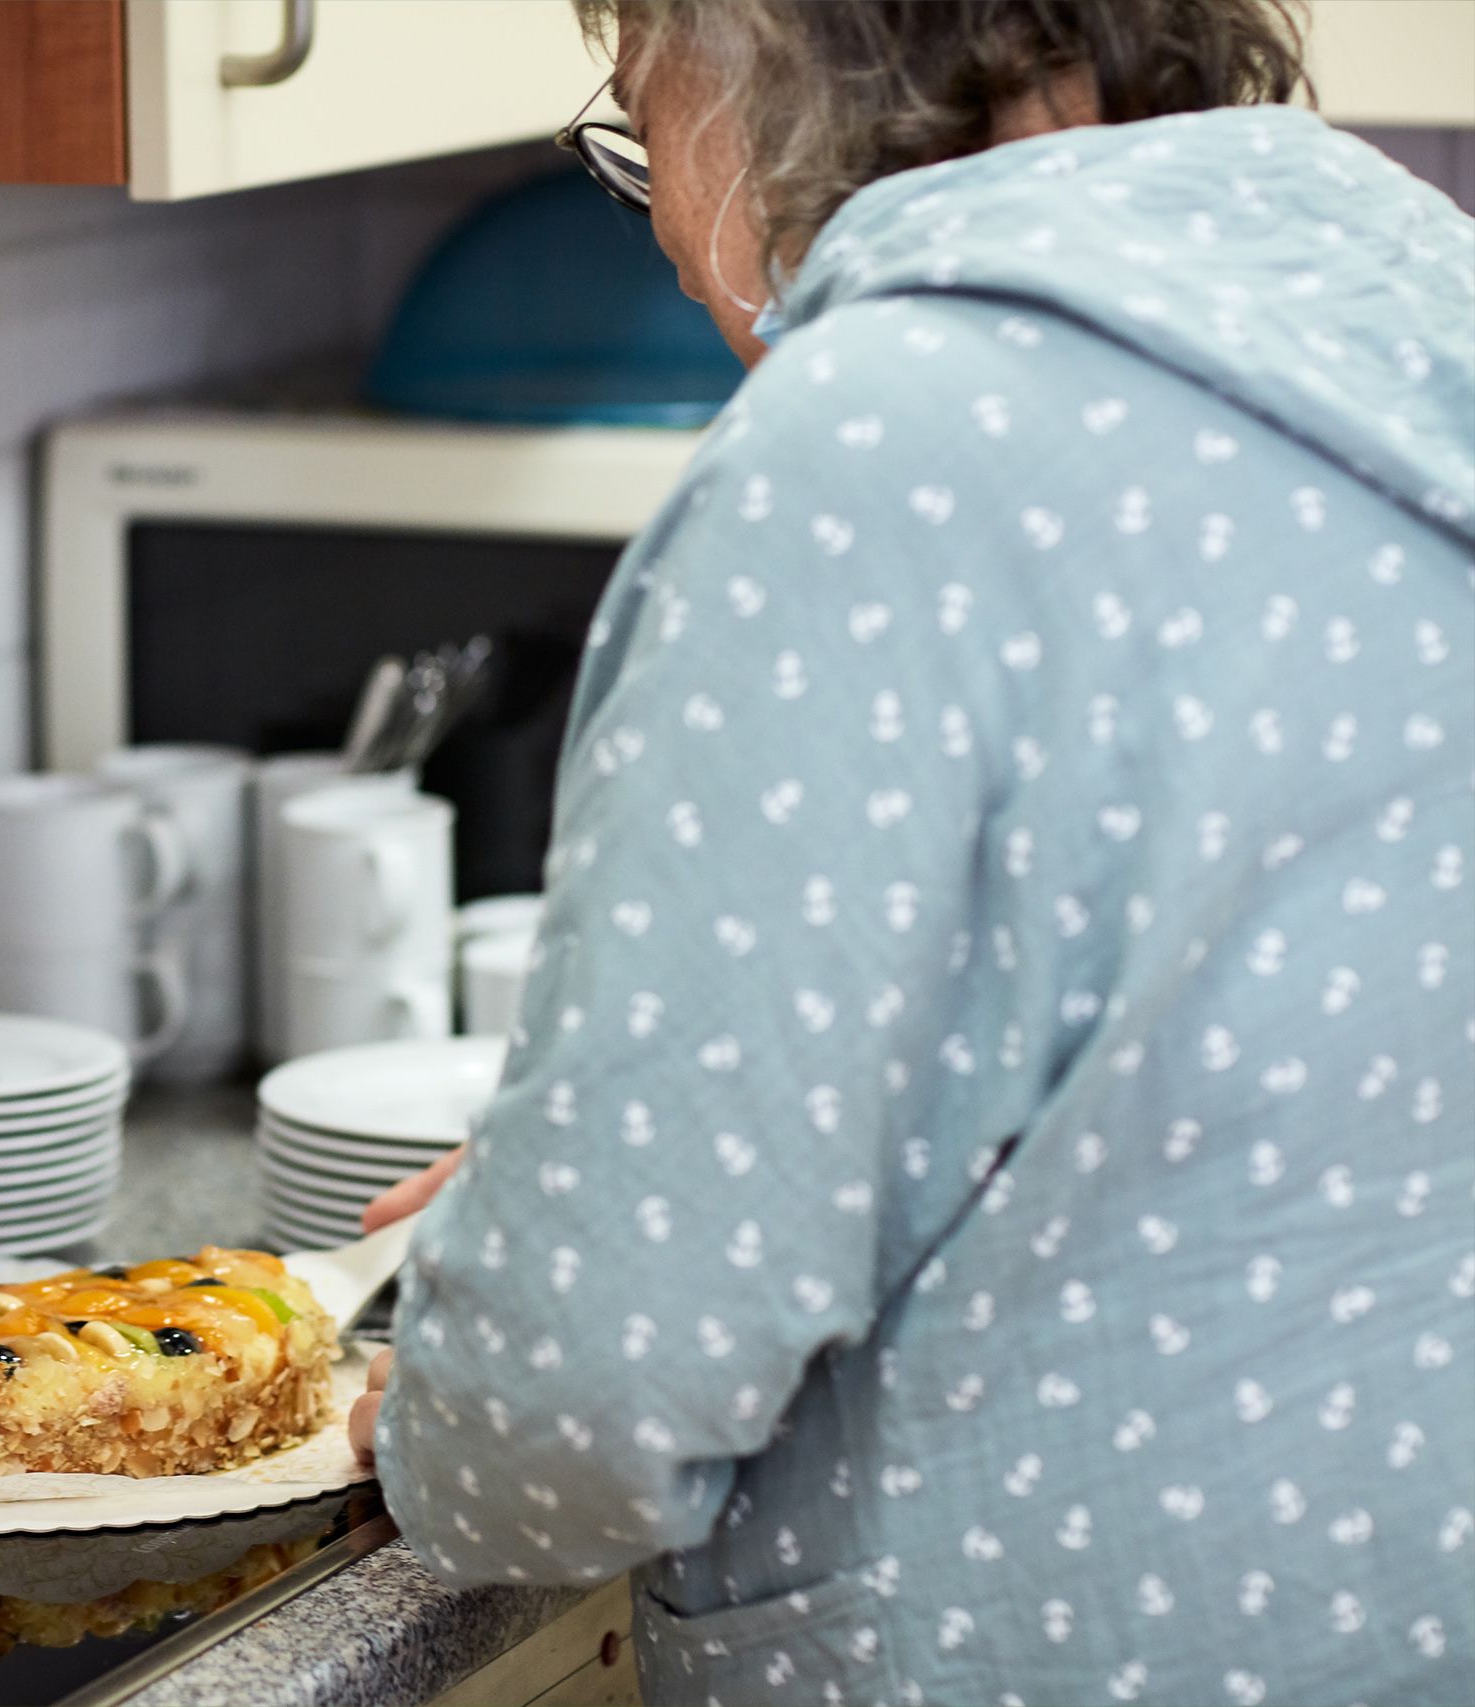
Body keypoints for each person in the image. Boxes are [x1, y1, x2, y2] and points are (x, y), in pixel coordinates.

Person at [350, 3, 1474, 1703]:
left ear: (757, 64)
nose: (658, 224)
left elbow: (581, 1408)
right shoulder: (1419, 302)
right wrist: (609, 1189)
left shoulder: (872, 448)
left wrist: (485, 1357)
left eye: (643, 122)